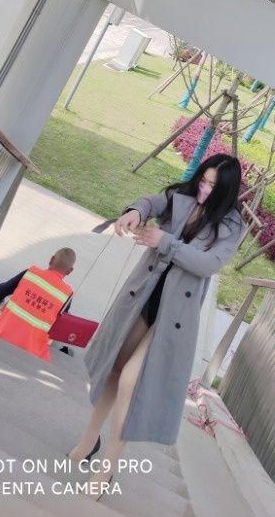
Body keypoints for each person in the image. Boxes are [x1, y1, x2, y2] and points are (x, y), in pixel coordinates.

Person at [72, 154, 244, 498]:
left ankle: (107, 468)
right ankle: (89, 439)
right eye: (203, 180)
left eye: (213, 186)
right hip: (143, 296)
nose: (204, 189)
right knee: (115, 370)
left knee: (131, 382)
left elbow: (207, 264)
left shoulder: (231, 226)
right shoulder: (181, 196)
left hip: (173, 314)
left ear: (226, 191)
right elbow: (153, 201)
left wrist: (164, 241)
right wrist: (136, 211)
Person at [0, 248, 76, 362]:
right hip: (32, 352)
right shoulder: (67, 294)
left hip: (1, 335)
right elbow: (57, 330)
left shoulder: (31, 273)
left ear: (51, 259)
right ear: (70, 271)